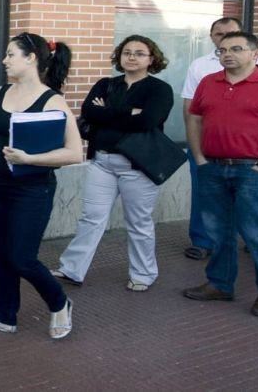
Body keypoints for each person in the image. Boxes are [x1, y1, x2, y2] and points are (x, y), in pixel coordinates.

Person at [0, 32, 83, 339]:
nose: (5, 60)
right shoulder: (1, 92)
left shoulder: (53, 101)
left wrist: (29, 158)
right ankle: (4, 315)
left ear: (31, 58)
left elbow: (74, 152)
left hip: (32, 190)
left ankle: (60, 302)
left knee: (22, 257)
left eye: (11, 54)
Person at [182, 31, 258, 318]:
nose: (228, 54)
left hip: (254, 171)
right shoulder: (208, 83)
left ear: (255, 54)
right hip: (212, 167)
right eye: (222, 49)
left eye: (237, 48)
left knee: (256, 232)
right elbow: (195, 120)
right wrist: (199, 158)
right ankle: (220, 284)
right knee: (217, 231)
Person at [53, 35, 174, 291]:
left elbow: (147, 121)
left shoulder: (159, 89)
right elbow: (89, 112)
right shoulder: (106, 84)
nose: (132, 57)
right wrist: (128, 112)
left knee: (139, 223)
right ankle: (72, 269)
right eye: (127, 52)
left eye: (139, 53)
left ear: (151, 59)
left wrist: (107, 113)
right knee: (91, 218)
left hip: (137, 166)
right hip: (102, 162)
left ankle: (143, 274)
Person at [180, 17, 258, 261]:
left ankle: (254, 249)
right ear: (212, 37)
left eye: (231, 34)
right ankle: (203, 242)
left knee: (251, 203)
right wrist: (197, 150)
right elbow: (190, 110)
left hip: (251, 152)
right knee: (204, 196)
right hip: (207, 147)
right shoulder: (200, 66)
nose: (224, 39)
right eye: (218, 35)